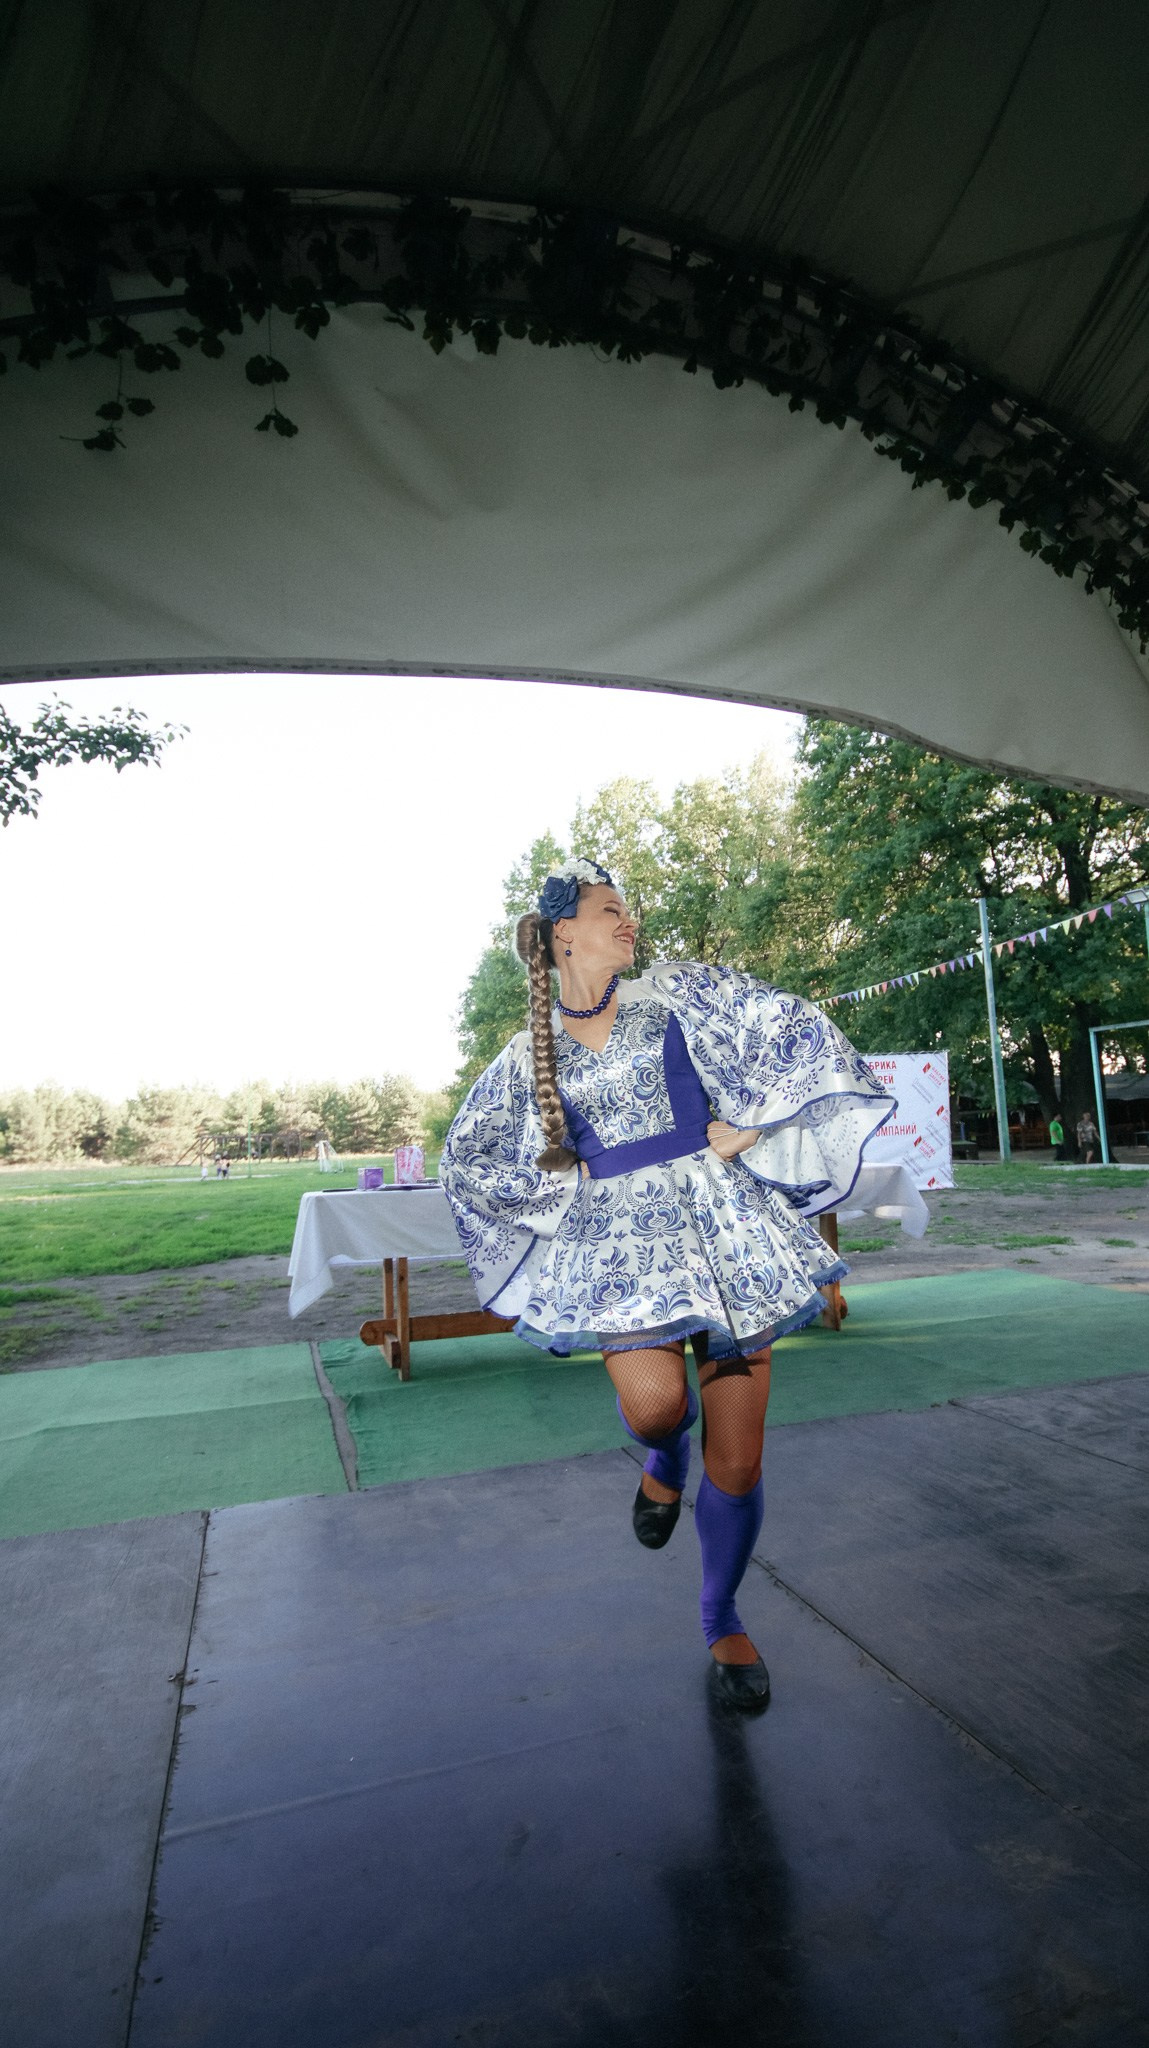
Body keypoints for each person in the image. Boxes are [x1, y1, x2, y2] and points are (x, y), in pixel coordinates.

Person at [440, 860, 895, 1711]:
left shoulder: (679, 995)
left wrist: (751, 1126)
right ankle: (661, 1455)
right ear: (563, 932)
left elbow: (796, 1031)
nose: (629, 923)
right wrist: (558, 1191)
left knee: (741, 1460)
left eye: (629, 912)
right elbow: (463, 1158)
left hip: (726, 1232)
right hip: (620, 1251)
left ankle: (720, 1615)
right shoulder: (524, 1053)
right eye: (609, 910)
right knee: (657, 1407)